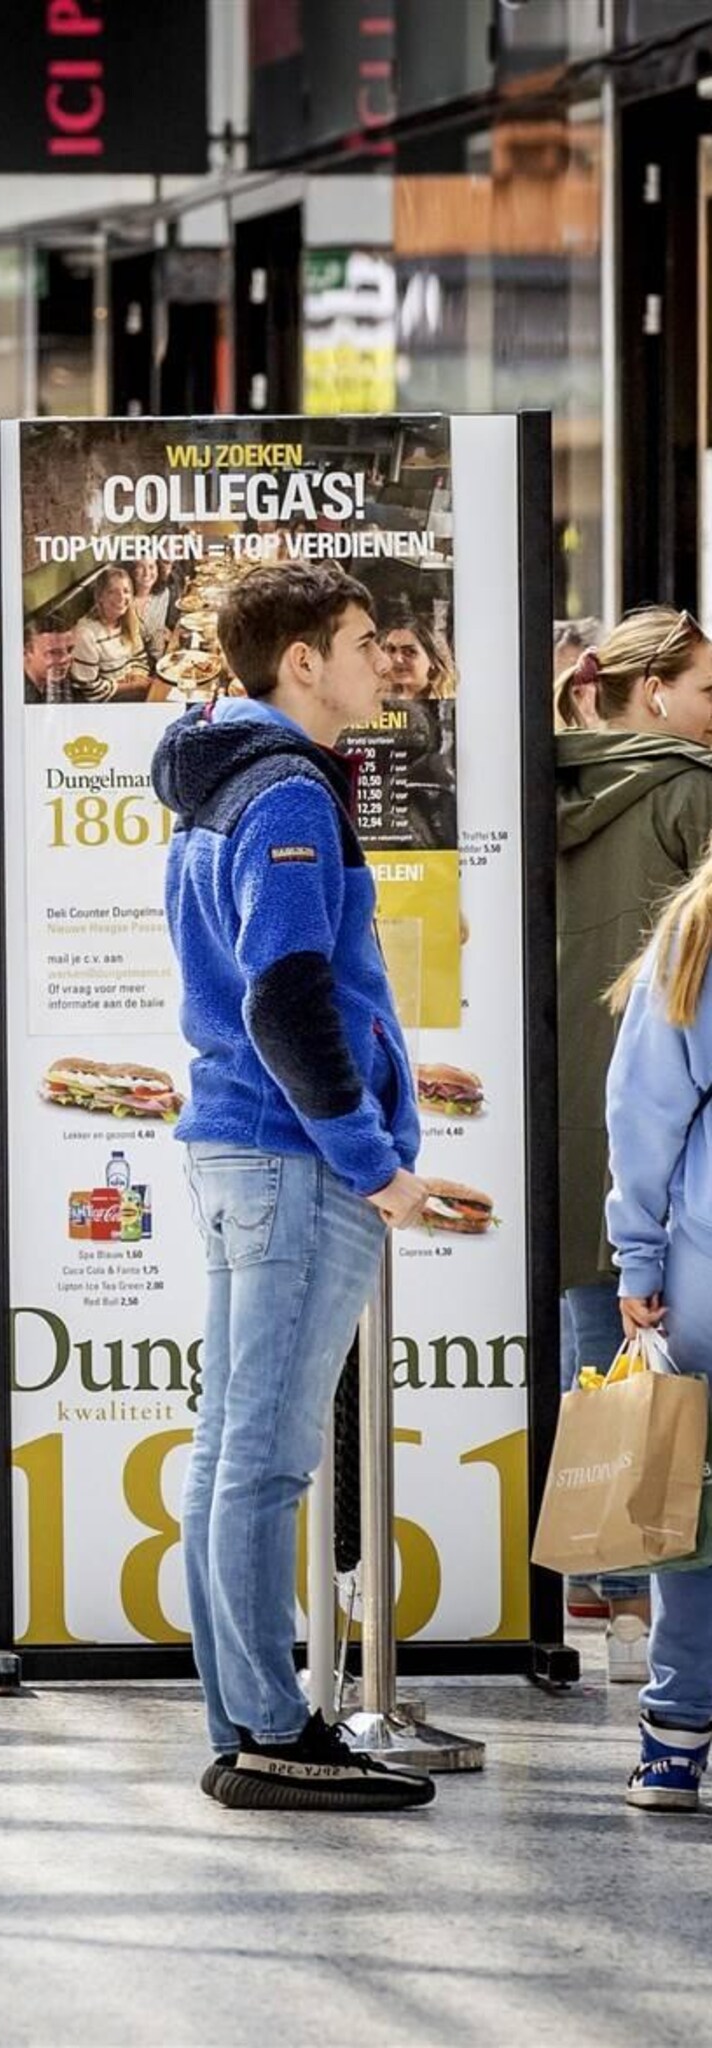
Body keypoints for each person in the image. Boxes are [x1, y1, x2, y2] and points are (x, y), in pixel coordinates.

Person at [150, 560, 433, 1812]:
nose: (386, 659)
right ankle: (268, 1722)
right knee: (258, 1457)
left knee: (233, 1449)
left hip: (246, 1147)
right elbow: (284, 992)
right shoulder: (284, 798)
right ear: (299, 660)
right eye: (365, 639)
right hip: (290, 1152)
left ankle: (249, 1715)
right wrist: (373, 1162)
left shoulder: (231, 782)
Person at [556, 607, 712, 1671]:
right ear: (649, 689)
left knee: (618, 1367)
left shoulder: (541, 781)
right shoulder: (689, 792)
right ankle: (638, 1624)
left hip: (568, 1109)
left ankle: (602, 1576)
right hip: (666, 1129)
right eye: (705, 689)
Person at [603, 851, 712, 1810]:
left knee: (695, 1508)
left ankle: (674, 1737)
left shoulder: (696, 925)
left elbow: (645, 1110)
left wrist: (638, 1257)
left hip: (707, 1264)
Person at [67, 568, 153, 702]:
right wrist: (131, 686)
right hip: (107, 702)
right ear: (100, 596)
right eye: (112, 591)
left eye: (126, 591)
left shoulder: (128, 620)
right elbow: (91, 690)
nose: (121, 597)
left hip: (131, 688)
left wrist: (137, 674)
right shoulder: (86, 634)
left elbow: (140, 656)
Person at [379, 601, 458, 701]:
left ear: (432, 659)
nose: (397, 659)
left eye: (410, 652)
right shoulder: (380, 700)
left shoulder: (445, 705)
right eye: (391, 649)